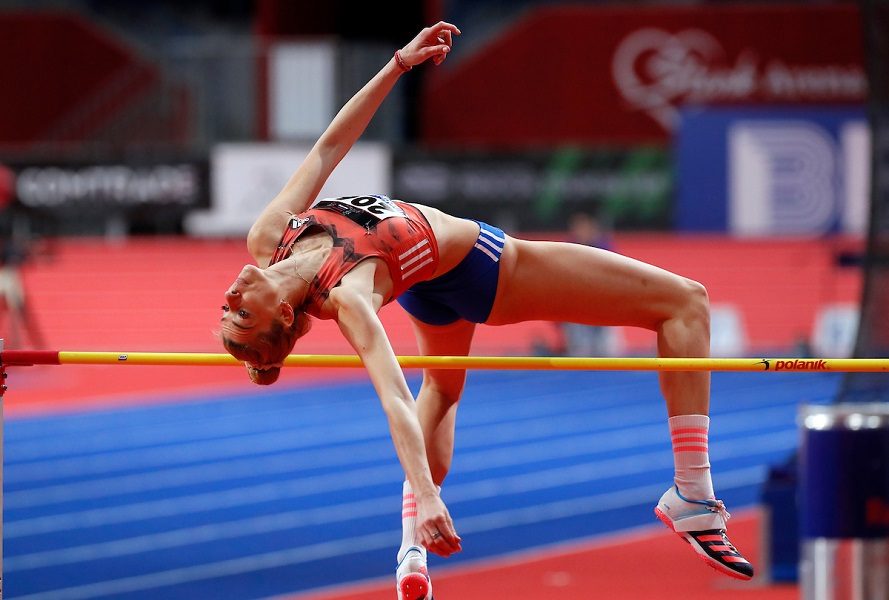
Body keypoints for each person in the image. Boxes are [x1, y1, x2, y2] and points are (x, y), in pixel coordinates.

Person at [219, 22, 753, 600]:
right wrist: (426, 494)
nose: (228, 299)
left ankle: (411, 551)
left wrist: (398, 64)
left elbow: (328, 147)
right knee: (685, 302)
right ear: (280, 316)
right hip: (487, 271)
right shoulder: (346, 296)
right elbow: (394, 397)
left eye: (224, 310)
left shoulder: (270, 235)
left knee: (444, 393)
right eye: (240, 315)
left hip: (427, 287)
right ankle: (693, 495)